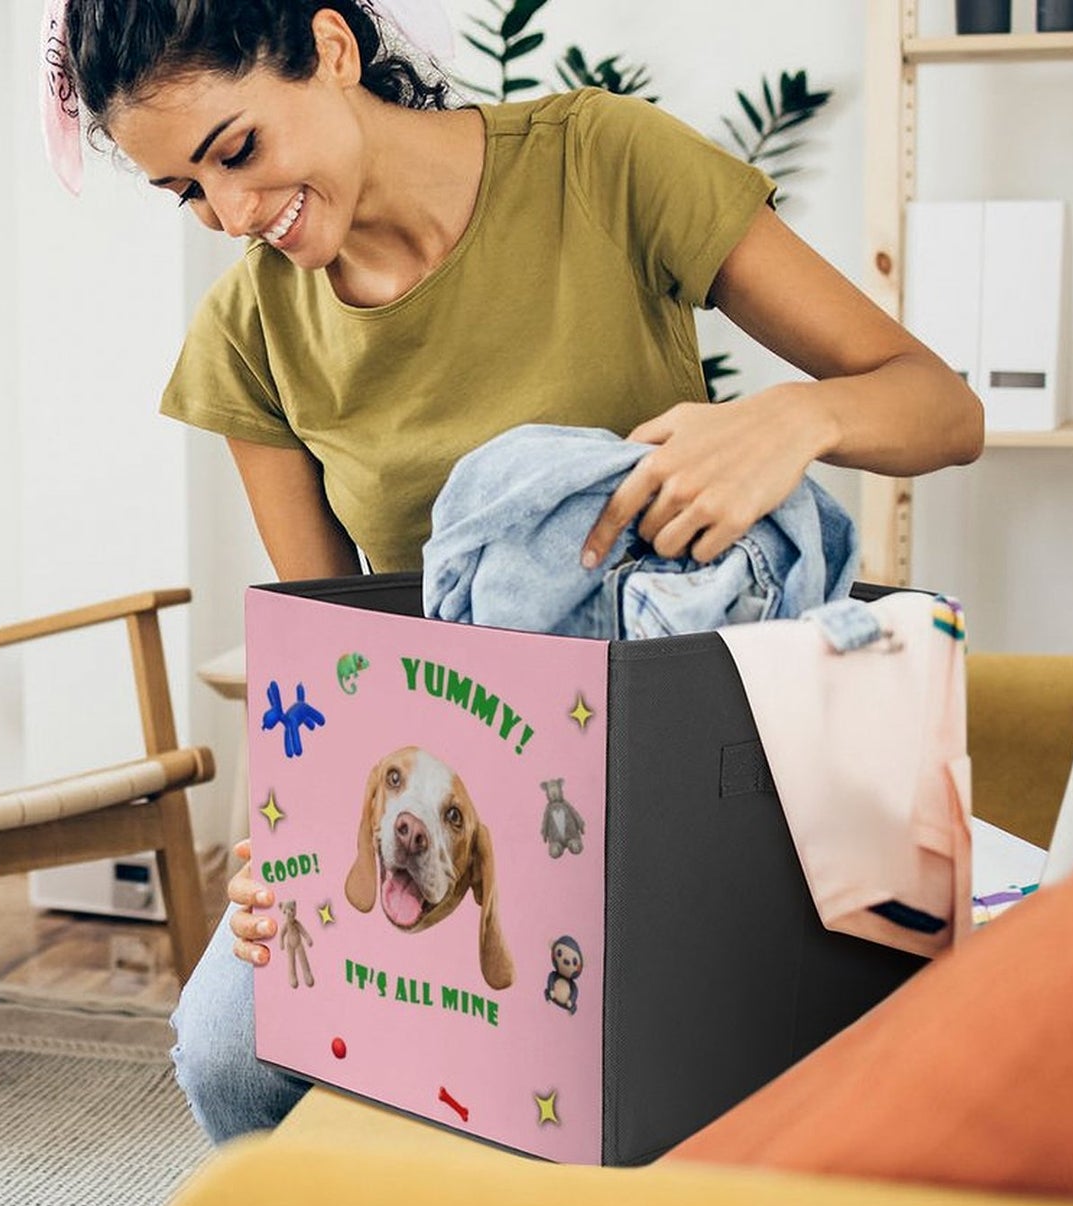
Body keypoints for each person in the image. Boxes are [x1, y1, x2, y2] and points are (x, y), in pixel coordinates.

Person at [58, 0, 983, 1143]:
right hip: (461, 786)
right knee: (228, 1051)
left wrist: (796, 418)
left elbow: (943, 411)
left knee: (633, 1074)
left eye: (237, 150)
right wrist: (275, 854)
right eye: (185, 192)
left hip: (680, 752)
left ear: (332, 51)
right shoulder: (249, 329)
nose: (233, 214)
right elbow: (321, 659)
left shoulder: (602, 163)